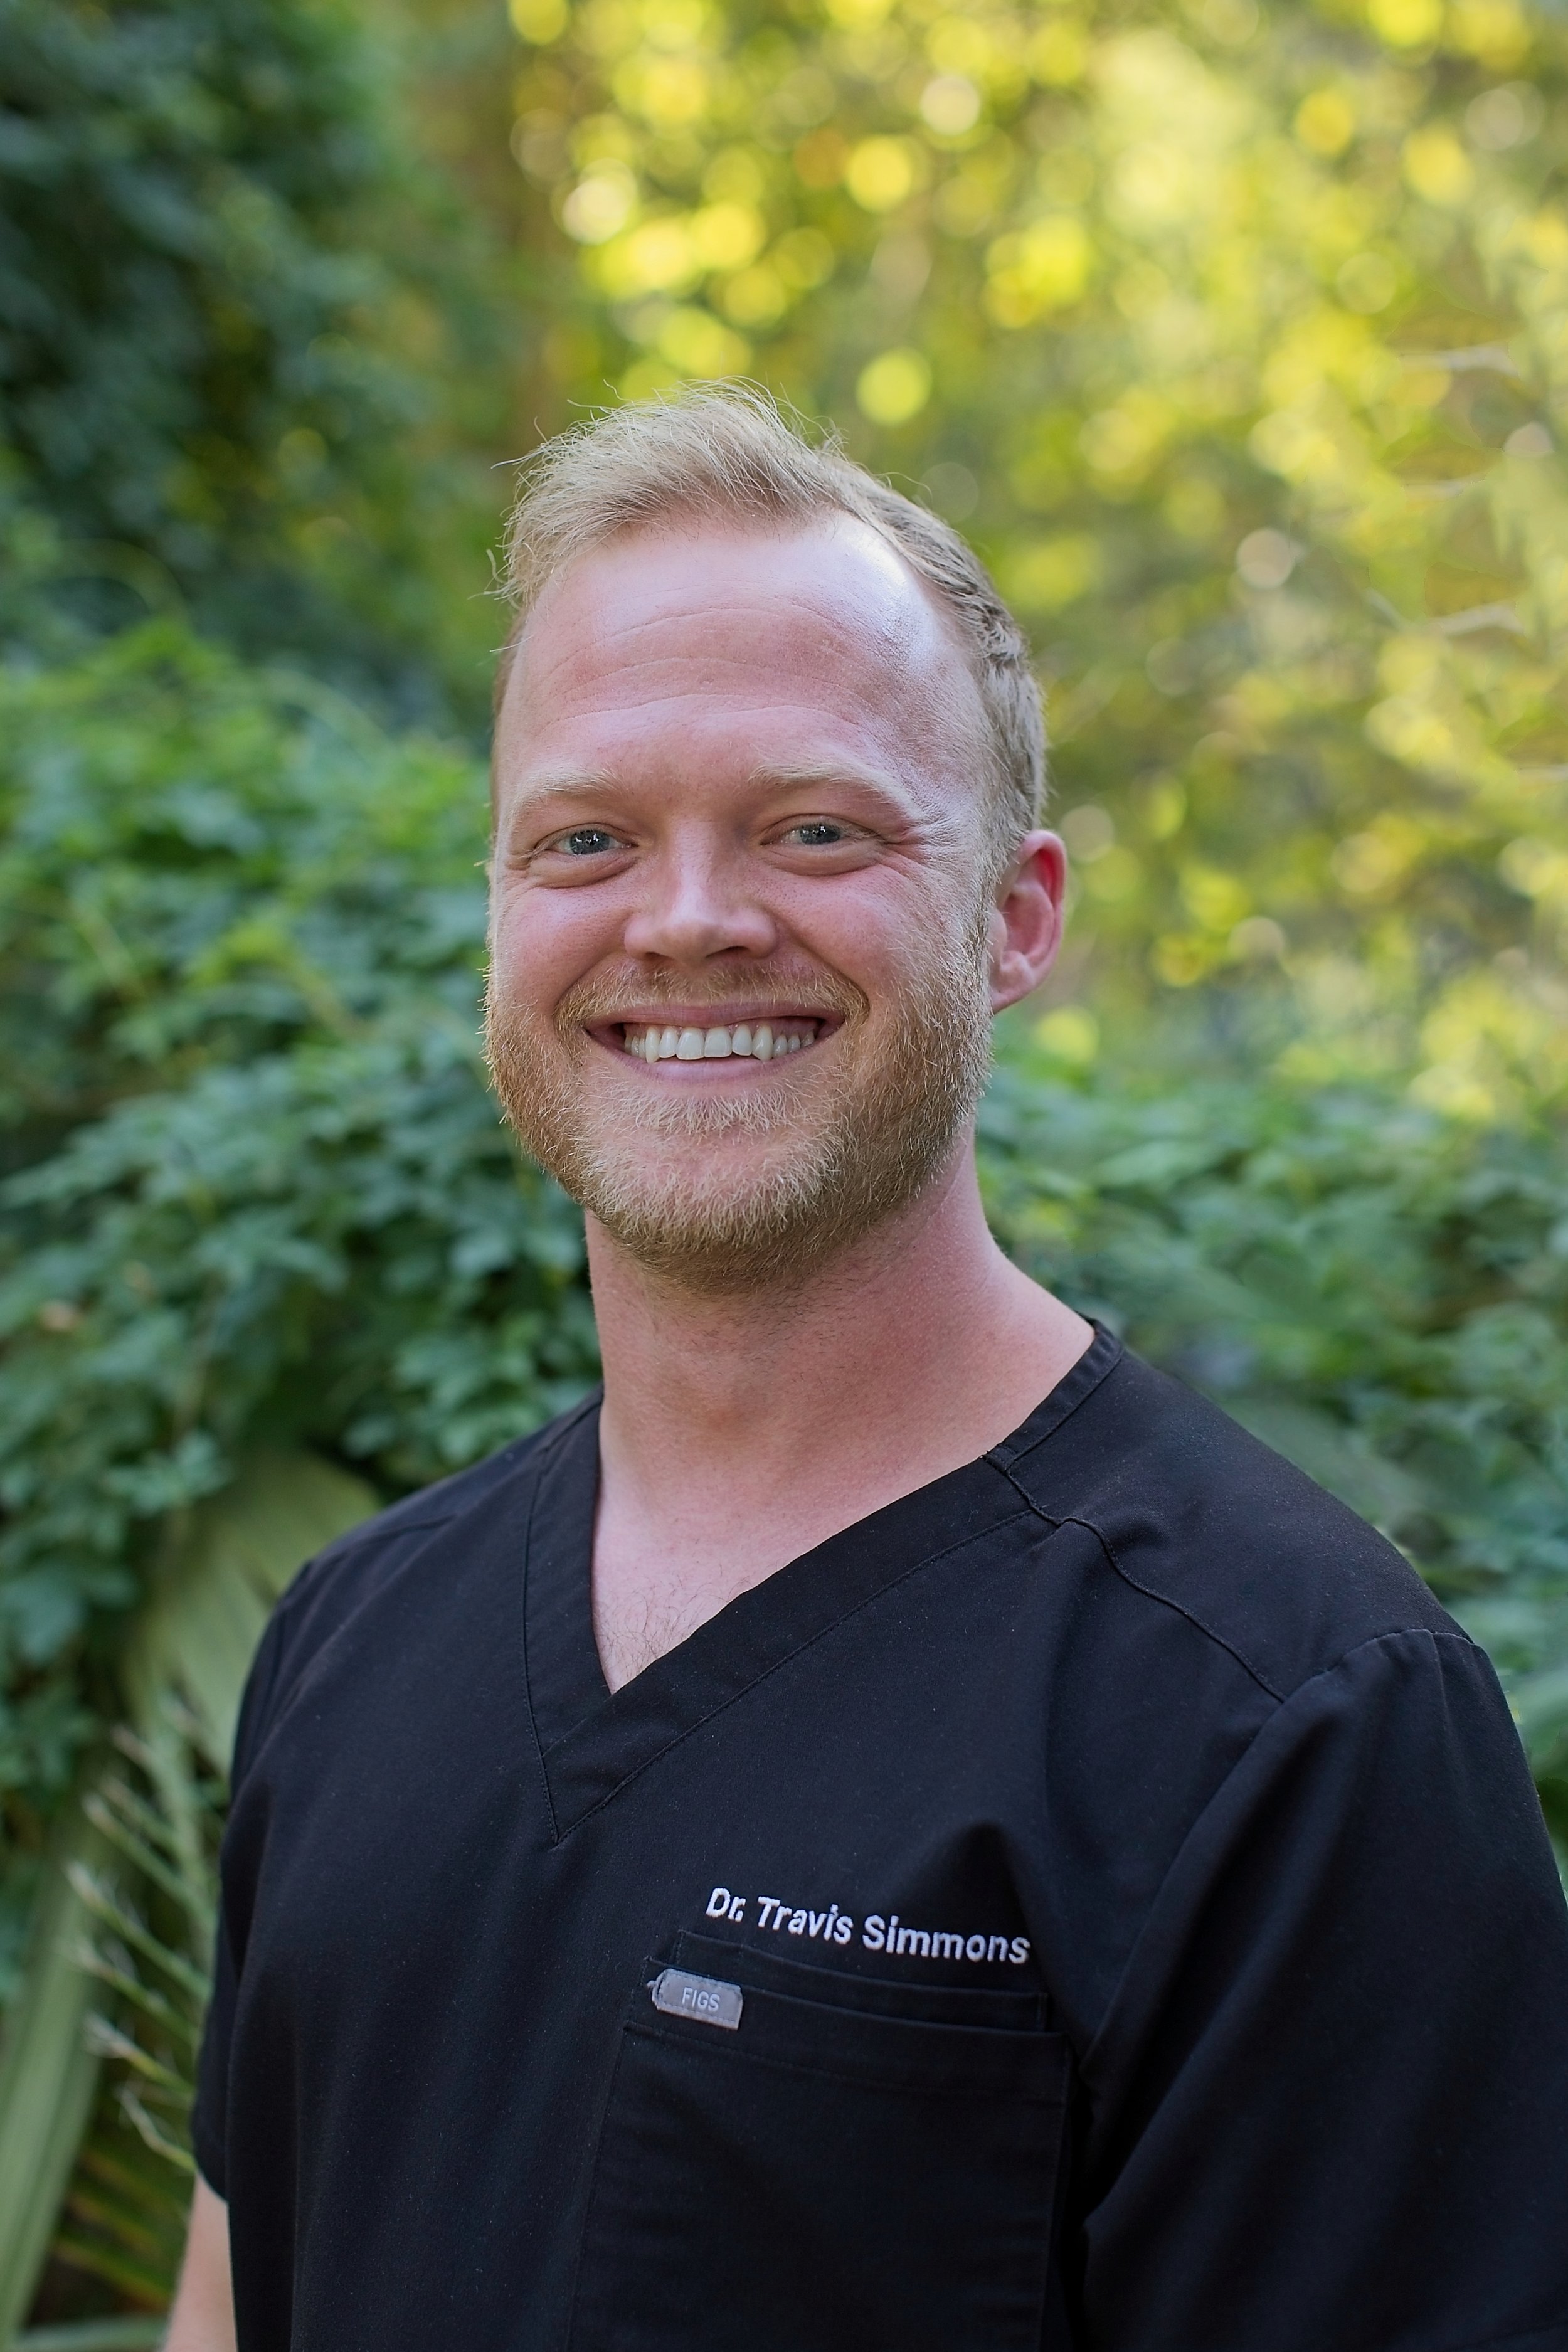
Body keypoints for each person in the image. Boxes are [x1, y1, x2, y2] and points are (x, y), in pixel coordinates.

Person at [169, 387, 1568, 2352]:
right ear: (496, 913)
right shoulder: (349, 1639)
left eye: (810, 827)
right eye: (584, 838)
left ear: (1012, 919)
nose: (686, 919)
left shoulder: (1293, 1724)